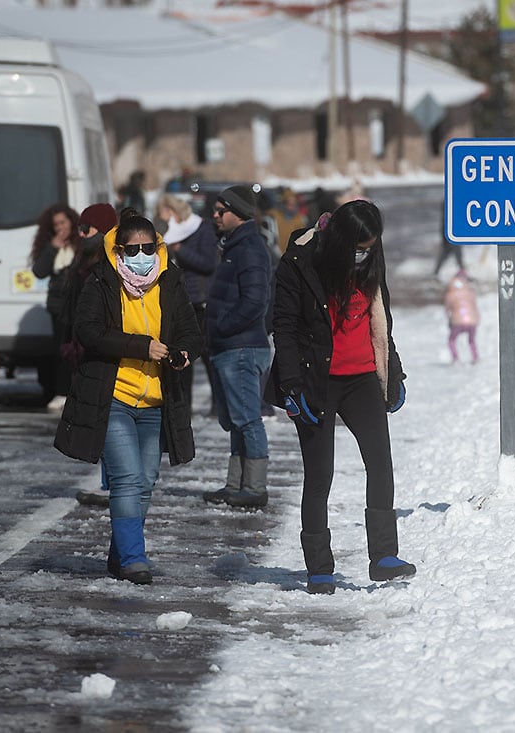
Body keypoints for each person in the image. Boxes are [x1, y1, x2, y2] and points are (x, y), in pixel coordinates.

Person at [265, 200, 415, 594]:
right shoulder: (300, 261)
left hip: (363, 377)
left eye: (371, 246)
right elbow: (283, 326)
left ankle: (384, 556)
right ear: (339, 239)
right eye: (358, 246)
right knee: (320, 475)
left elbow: (381, 321)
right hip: (316, 380)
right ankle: (319, 568)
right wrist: (291, 384)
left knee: (380, 463)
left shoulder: (369, 262)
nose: (364, 253)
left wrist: (392, 373)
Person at [53, 214, 203, 585]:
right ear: (119, 251)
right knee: (127, 478)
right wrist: (140, 347)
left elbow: (191, 332)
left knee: (147, 480)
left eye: (147, 248)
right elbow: (87, 330)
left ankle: (120, 553)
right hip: (113, 396)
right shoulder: (102, 281)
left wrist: (183, 352)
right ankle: (135, 559)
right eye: (132, 250)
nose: (140, 256)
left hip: (154, 401)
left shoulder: (169, 281)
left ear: (157, 247)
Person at [201, 185, 274, 509]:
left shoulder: (250, 249)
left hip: (241, 347)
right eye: (214, 211)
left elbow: (256, 301)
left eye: (221, 211)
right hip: (229, 346)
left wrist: (220, 327)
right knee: (235, 418)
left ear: (239, 213)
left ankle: (255, 487)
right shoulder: (234, 245)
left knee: (247, 419)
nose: (214, 216)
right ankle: (236, 484)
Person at [65, 202, 118, 510]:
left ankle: (116, 486)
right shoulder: (86, 260)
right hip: (86, 351)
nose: (81, 234)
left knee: (110, 422)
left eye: (87, 229)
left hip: (104, 353)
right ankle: (110, 483)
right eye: (80, 229)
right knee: (103, 421)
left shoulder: (109, 263)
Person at [156, 193, 220, 416]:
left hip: (201, 301)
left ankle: (217, 405)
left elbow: (208, 263)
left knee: (208, 357)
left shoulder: (200, 229)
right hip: (180, 302)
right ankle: (184, 406)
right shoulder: (167, 234)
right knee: (183, 357)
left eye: (165, 214)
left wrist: (181, 250)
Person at [30, 203, 82, 408]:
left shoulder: (81, 243)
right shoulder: (51, 246)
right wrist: (52, 247)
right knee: (61, 348)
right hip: (59, 305)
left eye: (63, 222)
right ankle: (61, 390)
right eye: (56, 225)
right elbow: (39, 271)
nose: (60, 228)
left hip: (79, 304)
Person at [444, 269, 479, 364]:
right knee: (471, 340)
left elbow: (447, 309)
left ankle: (455, 358)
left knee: (451, 340)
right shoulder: (470, 292)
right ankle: (475, 357)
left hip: (457, 321)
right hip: (472, 321)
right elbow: (475, 307)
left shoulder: (450, 294)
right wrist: (477, 319)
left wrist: (450, 320)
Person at [266, 187, 309, 257]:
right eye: (288, 202)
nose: (290, 206)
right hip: (275, 255)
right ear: (284, 202)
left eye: (293, 203)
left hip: (291, 257)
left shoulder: (300, 219)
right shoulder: (274, 215)